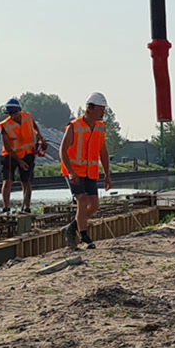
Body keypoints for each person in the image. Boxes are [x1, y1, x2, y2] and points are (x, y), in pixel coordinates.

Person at [60, 92, 112, 248]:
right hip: (74, 172)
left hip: (90, 172)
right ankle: (84, 237)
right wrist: (70, 172)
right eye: (101, 109)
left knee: (94, 205)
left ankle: (71, 228)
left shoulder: (100, 127)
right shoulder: (74, 126)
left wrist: (107, 175)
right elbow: (62, 151)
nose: (103, 113)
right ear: (91, 108)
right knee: (82, 200)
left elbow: (103, 152)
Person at [0, 98, 49, 214]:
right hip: (11, 156)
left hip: (28, 154)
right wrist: (20, 161)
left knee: (26, 182)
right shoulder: (5, 126)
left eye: (14, 113)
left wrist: (40, 137)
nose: (12, 116)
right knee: (8, 180)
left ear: (19, 110)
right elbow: (8, 148)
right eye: (10, 114)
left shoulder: (28, 117)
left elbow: (34, 126)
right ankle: (6, 208)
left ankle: (27, 208)